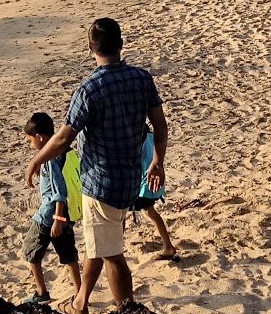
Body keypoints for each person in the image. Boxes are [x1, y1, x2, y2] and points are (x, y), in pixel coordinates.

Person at [25, 18, 167, 314]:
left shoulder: (89, 89)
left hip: (101, 184)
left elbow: (63, 138)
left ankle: (127, 308)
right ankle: (80, 301)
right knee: (100, 243)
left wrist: (37, 159)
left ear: (90, 48)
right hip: (130, 179)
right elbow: (160, 124)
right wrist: (157, 162)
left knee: (112, 254)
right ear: (121, 44)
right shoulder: (141, 78)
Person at [21, 112, 81, 306]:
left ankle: (41, 292)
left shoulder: (50, 158)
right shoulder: (66, 150)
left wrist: (56, 219)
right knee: (68, 253)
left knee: (30, 249)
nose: (31, 145)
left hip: (50, 215)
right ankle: (79, 292)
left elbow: (59, 191)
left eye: (30, 140)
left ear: (39, 137)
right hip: (68, 213)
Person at [136, 127, 177, 261]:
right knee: (150, 212)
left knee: (122, 214)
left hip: (143, 180)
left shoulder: (138, 135)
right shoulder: (150, 134)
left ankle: (116, 251)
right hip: (150, 179)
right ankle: (168, 245)